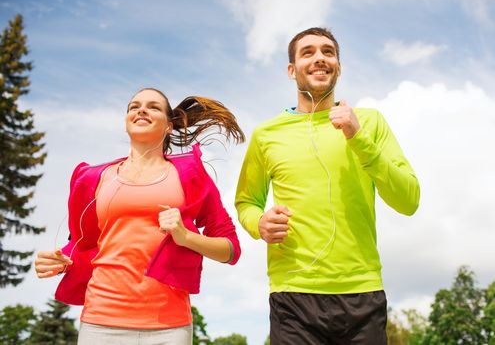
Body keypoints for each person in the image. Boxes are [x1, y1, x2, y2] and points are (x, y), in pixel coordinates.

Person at [235, 27, 420, 344]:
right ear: (292, 70)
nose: (319, 58)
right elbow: (246, 202)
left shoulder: (369, 122)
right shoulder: (266, 134)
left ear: (338, 66)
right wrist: (259, 223)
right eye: (307, 52)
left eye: (328, 51)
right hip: (293, 294)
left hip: (362, 292)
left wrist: (358, 138)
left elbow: (408, 200)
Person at [35, 88, 245, 345]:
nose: (141, 110)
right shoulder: (94, 178)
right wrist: (61, 261)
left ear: (169, 126)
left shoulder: (191, 175)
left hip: (169, 326)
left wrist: (186, 237)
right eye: (134, 106)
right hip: (101, 322)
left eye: (153, 107)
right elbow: (83, 244)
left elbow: (231, 250)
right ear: (126, 123)